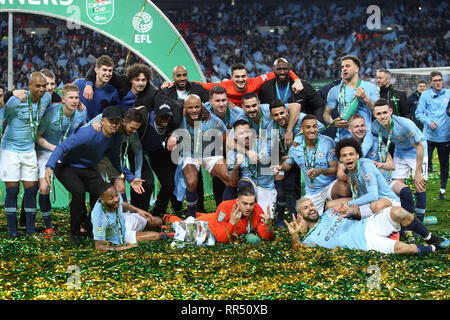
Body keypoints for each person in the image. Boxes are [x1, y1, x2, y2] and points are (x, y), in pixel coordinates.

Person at [44, 105, 143, 244]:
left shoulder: (114, 139)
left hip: (86, 169)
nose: (114, 125)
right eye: (111, 121)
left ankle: (89, 227)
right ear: (102, 121)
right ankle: (75, 233)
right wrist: (49, 166)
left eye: (116, 122)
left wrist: (131, 178)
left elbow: (116, 161)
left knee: (105, 191)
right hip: (66, 166)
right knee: (79, 192)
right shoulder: (89, 133)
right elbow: (62, 147)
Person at [285, 197, 449, 254]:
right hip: (366, 243)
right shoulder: (309, 239)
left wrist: (350, 211)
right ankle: (434, 249)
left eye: (312, 205)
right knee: (402, 248)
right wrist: (294, 236)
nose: (312, 208)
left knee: (398, 212)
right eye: (306, 208)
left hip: (368, 225)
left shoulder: (329, 213)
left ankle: (430, 238)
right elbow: (299, 252)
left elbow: (355, 210)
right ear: (299, 215)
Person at [0, 72, 51, 238]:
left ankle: (29, 231)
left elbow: (61, 98)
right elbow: (2, 115)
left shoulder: (47, 98)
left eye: (44, 86)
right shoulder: (16, 101)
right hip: (10, 149)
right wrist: (11, 93)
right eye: (38, 86)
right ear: (29, 87)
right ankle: (12, 232)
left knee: (31, 190)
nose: (42, 89)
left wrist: (79, 105)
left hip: (29, 150)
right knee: (12, 191)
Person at [338, 114, 415, 221]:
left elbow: (392, 165)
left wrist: (380, 164)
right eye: (356, 127)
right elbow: (340, 172)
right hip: (365, 186)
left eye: (362, 126)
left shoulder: (376, 141)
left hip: (384, 182)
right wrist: (349, 178)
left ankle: (410, 222)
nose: (360, 129)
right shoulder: (348, 149)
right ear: (350, 129)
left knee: (405, 191)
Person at [35, 83, 87, 237]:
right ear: (63, 99)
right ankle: (48, 227)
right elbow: (37, 137)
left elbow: (80, 135)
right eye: (71, 97)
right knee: (44, 188)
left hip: (66, 155)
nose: (74, 101)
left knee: (78, 188)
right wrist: (55, 149)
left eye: (77, 98)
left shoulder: (81, 113)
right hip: (46, 151)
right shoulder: (50, 112)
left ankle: (80, 224)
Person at [171, 94, 235, 218]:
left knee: (230, 178)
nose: (194, 110)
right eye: (190, 107)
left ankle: (227, 214)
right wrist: (173, 136)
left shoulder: (212, 120)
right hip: (189, 154)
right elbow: (170, 128)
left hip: (210, 153)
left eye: (197, 107)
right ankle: (192, 217)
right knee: (192, 182)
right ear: (184, 108)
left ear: (202, 107)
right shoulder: (179, 118)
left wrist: (229, 158)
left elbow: (227, 139)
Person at [278, 115, 350, 215]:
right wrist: (279, 167)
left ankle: (344, 207)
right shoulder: (296, 146)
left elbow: (334, 169)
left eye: (315, 126)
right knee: (305, 221)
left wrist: (321, 171)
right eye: (308, 127)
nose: (312, 130)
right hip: (312, 191)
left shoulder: (327, 142)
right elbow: (288, 164)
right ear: (302, 130)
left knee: (344, 187)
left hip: (330, 186)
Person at [371, 98, 429, 221]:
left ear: (391, 111)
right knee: (398, 187)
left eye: (385, 112)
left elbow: (419, 146)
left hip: (417, 150)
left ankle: (419, 220)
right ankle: (405, 219)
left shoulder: (404, 124)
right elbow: (378, 143)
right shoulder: (375, 127)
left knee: (419, 184)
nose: (382, 116)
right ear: (374, 115)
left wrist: (418, 173)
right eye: (379, 114)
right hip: (400, 151)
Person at [165, 183, 274, 244]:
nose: (248, 207)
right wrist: (232, 222)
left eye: (251, 204)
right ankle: (167, 217)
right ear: (237, 201)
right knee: (184, 227)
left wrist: (268, 227)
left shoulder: (256, 208)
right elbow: (221, 239)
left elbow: (267, 237)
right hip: (210, 225)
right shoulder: (225, 207)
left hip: (217, 220)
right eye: (245, 203)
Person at [327, 137, 401, 220]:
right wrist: (346, 206)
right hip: (367, 201)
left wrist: (348, 204)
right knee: (330, 206)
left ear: (357, 155)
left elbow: (373, 196)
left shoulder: (365, 165)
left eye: (351, 154)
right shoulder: (351, 169)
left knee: (376, 206)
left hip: (386, 200)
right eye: (344, 155)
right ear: (340, 159)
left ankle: (394, 230)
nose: (348, 158)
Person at [85, 108, 145, 204]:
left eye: (136, 129)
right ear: (123, 122)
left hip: (114, 159)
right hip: (98, 157)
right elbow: (82, 131)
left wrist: (136, 176)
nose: (134, 132)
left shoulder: (132, 134)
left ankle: (123, 216)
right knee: (101, 189)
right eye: (132, 128)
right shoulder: (104, 119)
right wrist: (91, 126)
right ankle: (95, 217)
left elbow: (138, 152)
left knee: (120, 188)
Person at [92, 183, 168, 252]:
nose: (116, 199)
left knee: (157, 221)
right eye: (111, 198)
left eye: (116, 195)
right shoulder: (99, 219)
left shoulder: (113, 195)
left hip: (124, 220)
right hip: (120, 235)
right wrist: (119, 248)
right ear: (102, 199)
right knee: (156, 236)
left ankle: (141, 232)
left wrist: (138, 210)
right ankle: (142, 234)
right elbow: (99, 246)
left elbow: (122, 203)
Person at [226, 119, 277, 220]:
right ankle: (243, 220)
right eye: (241, 133)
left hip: (266, 184)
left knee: (265, 220)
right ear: (235, 136)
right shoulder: (233, 151)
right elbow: (231, 181)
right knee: (242, 185)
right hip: (249, 181)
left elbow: (264, 159)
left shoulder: (262, 143)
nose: (245, 136)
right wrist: (236, 166)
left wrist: (252, 154)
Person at [193, 62, 304, 107]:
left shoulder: (255, 82)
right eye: (237, 77)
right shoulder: (224, 86)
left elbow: (281, 71)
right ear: (232, 78)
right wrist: (174, 83)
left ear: (247, 76)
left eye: (243, 76)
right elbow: (200, 84)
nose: (241, 79)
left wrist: (297, 80)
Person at [323, 55, 379, 141]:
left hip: (366, 137)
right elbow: (326, 114)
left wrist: (365, 98)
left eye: (348, 66)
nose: (344, 69)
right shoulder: (334, 90)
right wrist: (333, 122)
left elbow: (378, 112)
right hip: (343, 139)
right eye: (342, 67)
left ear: (356, 69)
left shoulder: (371, 87)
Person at [415, 71, 450, 200]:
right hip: (428, 137)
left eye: (440, 80)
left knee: (444, 164)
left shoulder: (448, 94)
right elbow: (418, 113)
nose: (438, 82)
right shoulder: (425, 95)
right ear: (430, 82)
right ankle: (419, 189)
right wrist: (428, 122)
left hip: (445, 136)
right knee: (423, 164)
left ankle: (442, 191)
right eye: (435, 80)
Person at [259, 58, 327, 122]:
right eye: (279, 69)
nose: (282, 72)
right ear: (273, 70)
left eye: (285, 69)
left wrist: (314, 122)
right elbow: (263, 111)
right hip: (276, 127)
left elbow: (320, 105)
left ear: (289, 70)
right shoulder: (266, 88)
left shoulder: (303, 86)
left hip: (300, 126)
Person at [74, 55, 120, 120]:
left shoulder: (113, 91)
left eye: (110, 71)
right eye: (104, 70)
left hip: (96, 128)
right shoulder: (79, 84)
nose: (107, 73)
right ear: (96, 70)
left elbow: (113, 113)